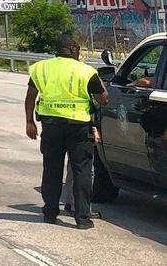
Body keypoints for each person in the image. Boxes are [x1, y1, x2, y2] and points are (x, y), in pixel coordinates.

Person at [24, 34, 109, 229]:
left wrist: (29, 122)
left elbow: (30, 97)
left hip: (51, 126)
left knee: (51, 169)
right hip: (79, 127)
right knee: (81, 170)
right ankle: (82, 218)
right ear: (72, 50)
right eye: (78, 49)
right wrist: (101, 81)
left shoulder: (41, 68)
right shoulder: (85, 71)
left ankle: (50, 213)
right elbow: (104, 99)